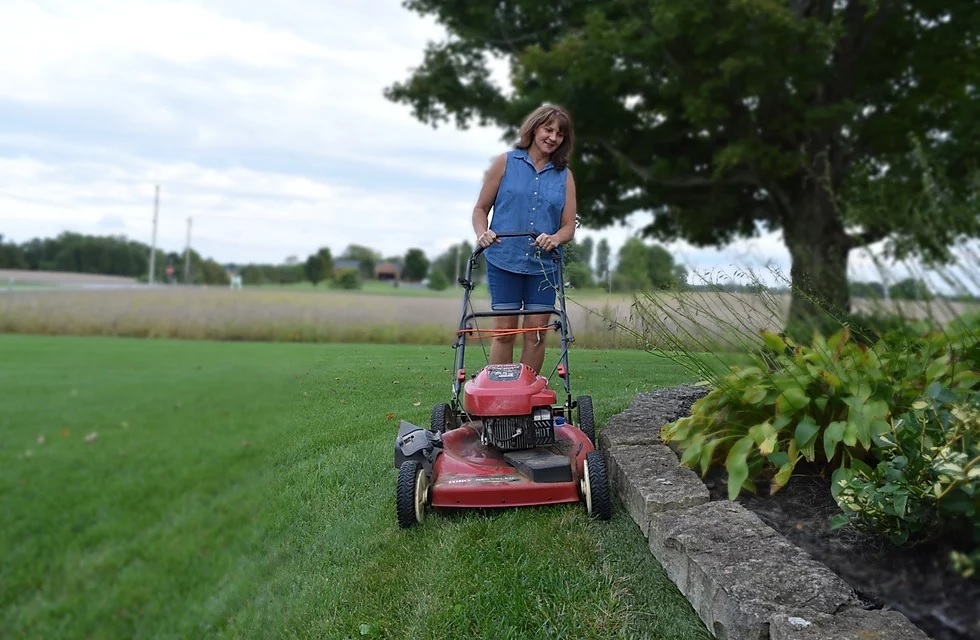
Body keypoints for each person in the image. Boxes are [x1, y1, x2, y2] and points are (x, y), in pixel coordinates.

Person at [471, 103, 577, 375]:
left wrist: (555, 238)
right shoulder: (505, 162)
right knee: (504, 332)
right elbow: (480, 209)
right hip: (503, 259)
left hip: (543, 267)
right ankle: (500, 397)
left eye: (560, 134)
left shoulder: (564, 177)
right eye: (548, 129)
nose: (553, 137)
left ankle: (526, 397)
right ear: (534, 128)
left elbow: (568, 228)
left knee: (536, 334)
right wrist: (483, 233)